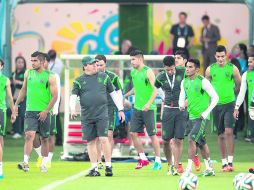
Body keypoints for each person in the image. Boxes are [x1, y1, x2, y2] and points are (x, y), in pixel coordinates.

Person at [70, 56, 125, 177]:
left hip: (102, 114)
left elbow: (113, 94)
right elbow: (73, 96)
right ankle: (94, 168)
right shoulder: (78, 80)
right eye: (92, 64)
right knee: (90, 142)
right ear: (85, 66)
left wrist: (120, 109)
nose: (95, 65)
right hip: (87, 115)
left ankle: (108, 166)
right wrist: (72, 109)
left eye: (95, 63)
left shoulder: (104, 77)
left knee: (104, 139)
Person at [15, 51, 58, 173]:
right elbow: (23, 90)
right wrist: (16, 105)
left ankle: (44, 163)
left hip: (44, 112)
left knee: (44, 139)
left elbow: (55, 96)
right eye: (31, 60)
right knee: (29, 136)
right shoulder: (28, 73)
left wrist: (46, 111)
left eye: (35, 61)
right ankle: (25, 162)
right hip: (30, 111)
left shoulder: (50, 76)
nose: (32, 63)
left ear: (43, 62)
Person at [179, 59, 219, 176]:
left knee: (191, 139)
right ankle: (209, 169)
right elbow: (182, 96)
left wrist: (206, 112)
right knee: (202, 143)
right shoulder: (184, 81)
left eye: (190, 67)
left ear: (197, 69)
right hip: (191, 117)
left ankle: (188, 169)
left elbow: (215, 98)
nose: (187, 69)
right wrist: (181, 105)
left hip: (201, 118)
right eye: (187, 67)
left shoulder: (203, 81)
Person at [205, 45, 241, 172]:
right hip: (216, 105)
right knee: (220, 135)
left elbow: (239, 86)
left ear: (226, 56)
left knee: (229, 132)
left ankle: (230, 162)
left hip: (230, 103)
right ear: (215, 56)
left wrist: (232, 96)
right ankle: (224, 163)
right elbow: (206, 87)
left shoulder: (233, 69)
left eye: (222, 56)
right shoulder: (210, 70)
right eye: (218, 56)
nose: (220, 59)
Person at [124, 50, 161, 170]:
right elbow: (136, 87)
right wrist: (126, 95)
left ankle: (158, 161)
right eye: (131, 59)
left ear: (140, 59)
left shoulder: (148, 71)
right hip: (137, 108)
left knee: (152, 135)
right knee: (133, 133)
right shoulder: (133, 72)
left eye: (133, 59)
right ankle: (143, 159)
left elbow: (155, 90)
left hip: (149, 108)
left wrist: (148, 104)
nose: (131, 62)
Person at [155, 56, 186, 175]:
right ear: (164, 68)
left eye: (172, 69)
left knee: (179, 139)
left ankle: (177, 165)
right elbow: (156, 87)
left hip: (181, 110)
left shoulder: (183, 72)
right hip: (168, 110)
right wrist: (164, 97)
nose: (170, 72)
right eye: (167, 70)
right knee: (166, 141)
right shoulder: (161, 77)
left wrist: (187, 99)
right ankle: (169, 165)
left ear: (175, 66)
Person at [174, 50, 201, 171]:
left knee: (192, 137)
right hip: (174, 109)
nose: (176, 60)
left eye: (178, 58)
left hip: (189, 110)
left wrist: (186, 103)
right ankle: (178, 164)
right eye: (175, 58)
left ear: (185, 61)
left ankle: (195, 156)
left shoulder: (190, 75)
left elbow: (195, 93)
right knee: (176, 138)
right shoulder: (172, 72)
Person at [95, 54, 123, 168]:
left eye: (101, 65)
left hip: (110, 108)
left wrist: (120, 108)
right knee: (96, 136)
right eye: (97, 65)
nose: (99, 67)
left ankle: (108, 161)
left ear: (105, 64)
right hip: (95, 109)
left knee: (109, 135)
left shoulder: (113, 77)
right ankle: (98, 161)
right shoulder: (90, 77)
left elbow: (119, 93)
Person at [33, 53, 61, 168]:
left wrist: (54, 109)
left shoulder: (54, 75)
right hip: (36, 109)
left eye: (44, 61)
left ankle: (48, 159)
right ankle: (41, 155)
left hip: (50, 110)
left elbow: (57, 94)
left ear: (47, 62)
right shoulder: (34, 74)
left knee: (49, 136)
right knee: (33, 135)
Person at [0, 59, 16, 179]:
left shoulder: (5, 80)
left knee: (0, 140)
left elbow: (10, 98)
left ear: (2, 66)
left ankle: (0, 168)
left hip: (1, 110)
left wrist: (14, 112)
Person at [233, 54, 254, 143]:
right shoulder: (246, 75)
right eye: (248, 62)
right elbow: (242, 93)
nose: (249, 64)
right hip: (251, 106)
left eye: (251, 62)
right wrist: (237, 107)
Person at [48, 49, 63, 145]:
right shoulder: (59, 63)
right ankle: (58, 139)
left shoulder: (49, 65)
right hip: (56, 94)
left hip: (52, 94)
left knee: (54, 118)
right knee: (56, 118)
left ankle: (56, 138)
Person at [10, 56, 27, 139]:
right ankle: (15, 130)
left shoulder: (25, 73)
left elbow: (26, 85)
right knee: (13, 113)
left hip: (22, 97)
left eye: (21, 62)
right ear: (16, 63)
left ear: (24, 64)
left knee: (21, 114)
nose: (20, 64)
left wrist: (18, 82)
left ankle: (19, 132)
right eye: (18, 62)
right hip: (14, 97)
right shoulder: (13, 74)